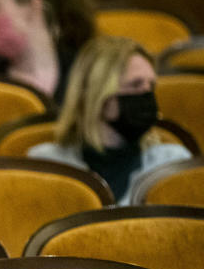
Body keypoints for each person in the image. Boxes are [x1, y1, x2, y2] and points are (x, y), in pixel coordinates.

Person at [28, 35, 192, 204]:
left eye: (151, 86)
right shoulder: (47, 166)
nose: (147, 95)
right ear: (96, 93)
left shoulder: (172, 165)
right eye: (135, 85)